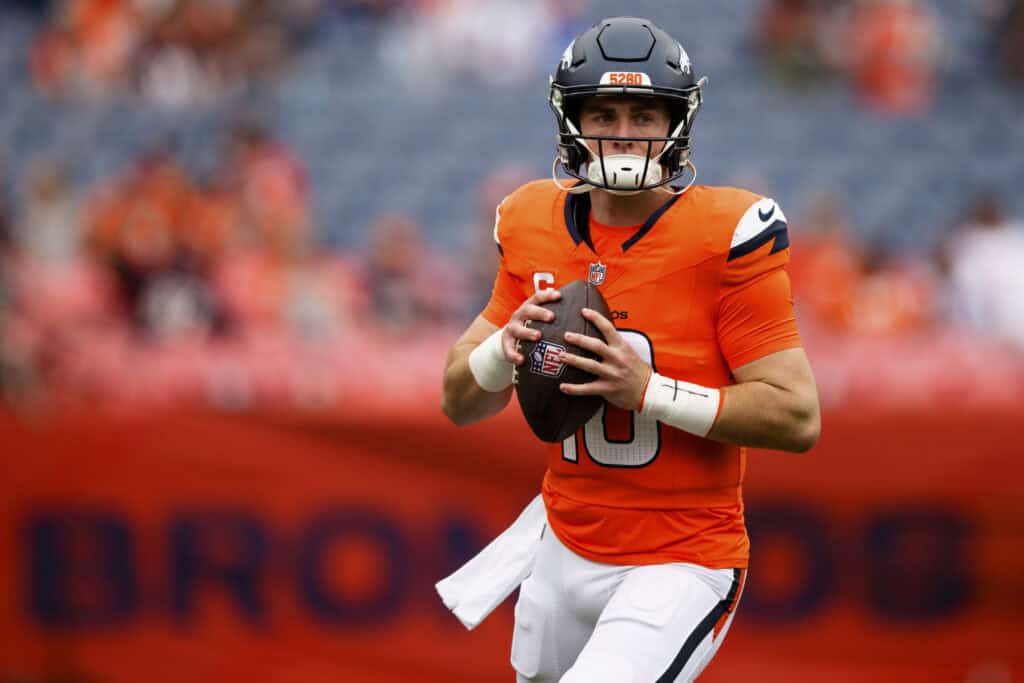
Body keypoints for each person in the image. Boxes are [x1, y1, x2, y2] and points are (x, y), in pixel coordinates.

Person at [438, 16, 820, 683]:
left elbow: (796, 416)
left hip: (682, 555)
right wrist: (505, 346)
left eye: (644, 114)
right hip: (564, 538)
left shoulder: (726, 233)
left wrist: (648, 390)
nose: (622, 131)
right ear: (571, 122)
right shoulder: (531, 221)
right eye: (604, 112)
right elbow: (458, 400)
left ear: (675, 124)